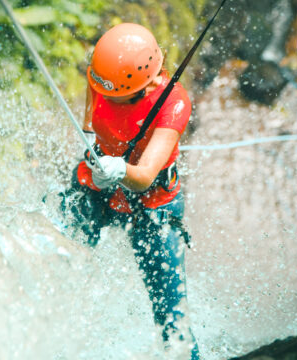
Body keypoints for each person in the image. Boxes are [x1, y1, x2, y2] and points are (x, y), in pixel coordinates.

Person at [60, 23, 199, 358]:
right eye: (102, 90)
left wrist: (120, 169)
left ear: (147, 82)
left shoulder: (173, 103)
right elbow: (91, 124)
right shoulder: (104, 76)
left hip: (153, 206)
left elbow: (146, 176)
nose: (104, 96)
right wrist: (96, 156)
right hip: (97, 189)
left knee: (171, 316)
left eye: (114, 96)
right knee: (61, 257)